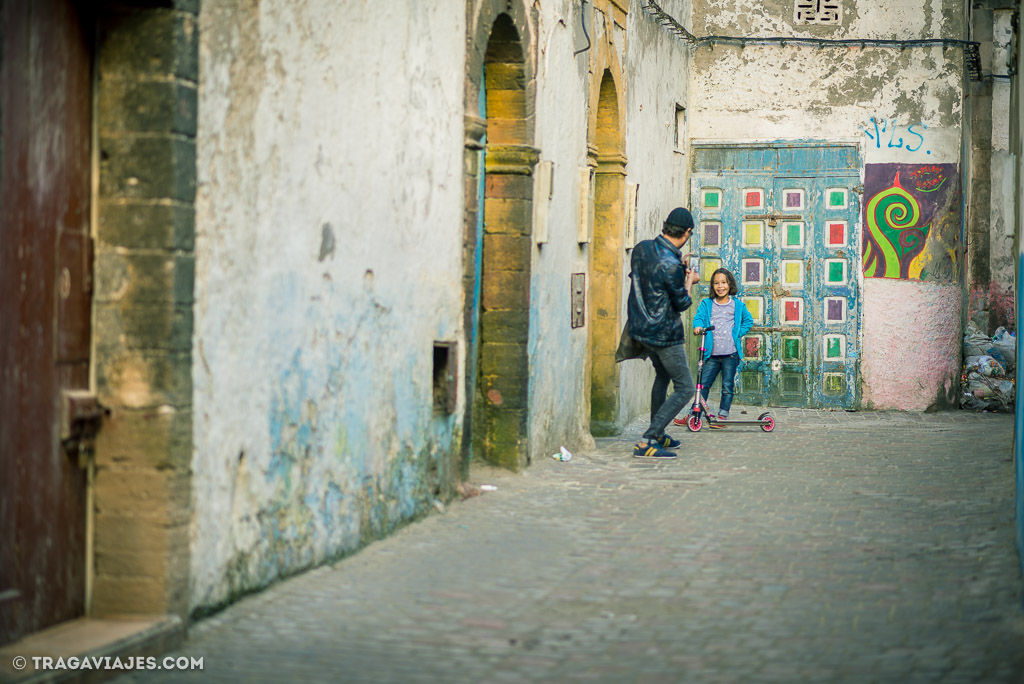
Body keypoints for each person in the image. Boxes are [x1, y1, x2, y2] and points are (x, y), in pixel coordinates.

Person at [626, 207, 701, 458]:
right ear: (687, 232)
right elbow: (682, 303)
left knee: (662, 377)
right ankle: (648, 440)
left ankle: (657, 433)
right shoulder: (672, 266)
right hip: (665, 333)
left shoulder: (641, 248)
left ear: (665, 225)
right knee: (685, 388)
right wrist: (689, 280)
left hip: (641, 328)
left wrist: (680, 267)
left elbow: (650, 277)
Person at [684, 267, 753, 429]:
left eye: (723, 282)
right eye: (716, 283)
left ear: (730, 285)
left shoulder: (737, 305)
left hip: (730, 354)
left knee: (727, 386)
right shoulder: (707, 304)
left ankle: (723, 415)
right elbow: (699, 318)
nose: (720, 286)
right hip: (711, 355)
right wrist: (698, 327)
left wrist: (737, 333)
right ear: (712, 286)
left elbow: (748, 321)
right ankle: (695, 415)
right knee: (703, 385)